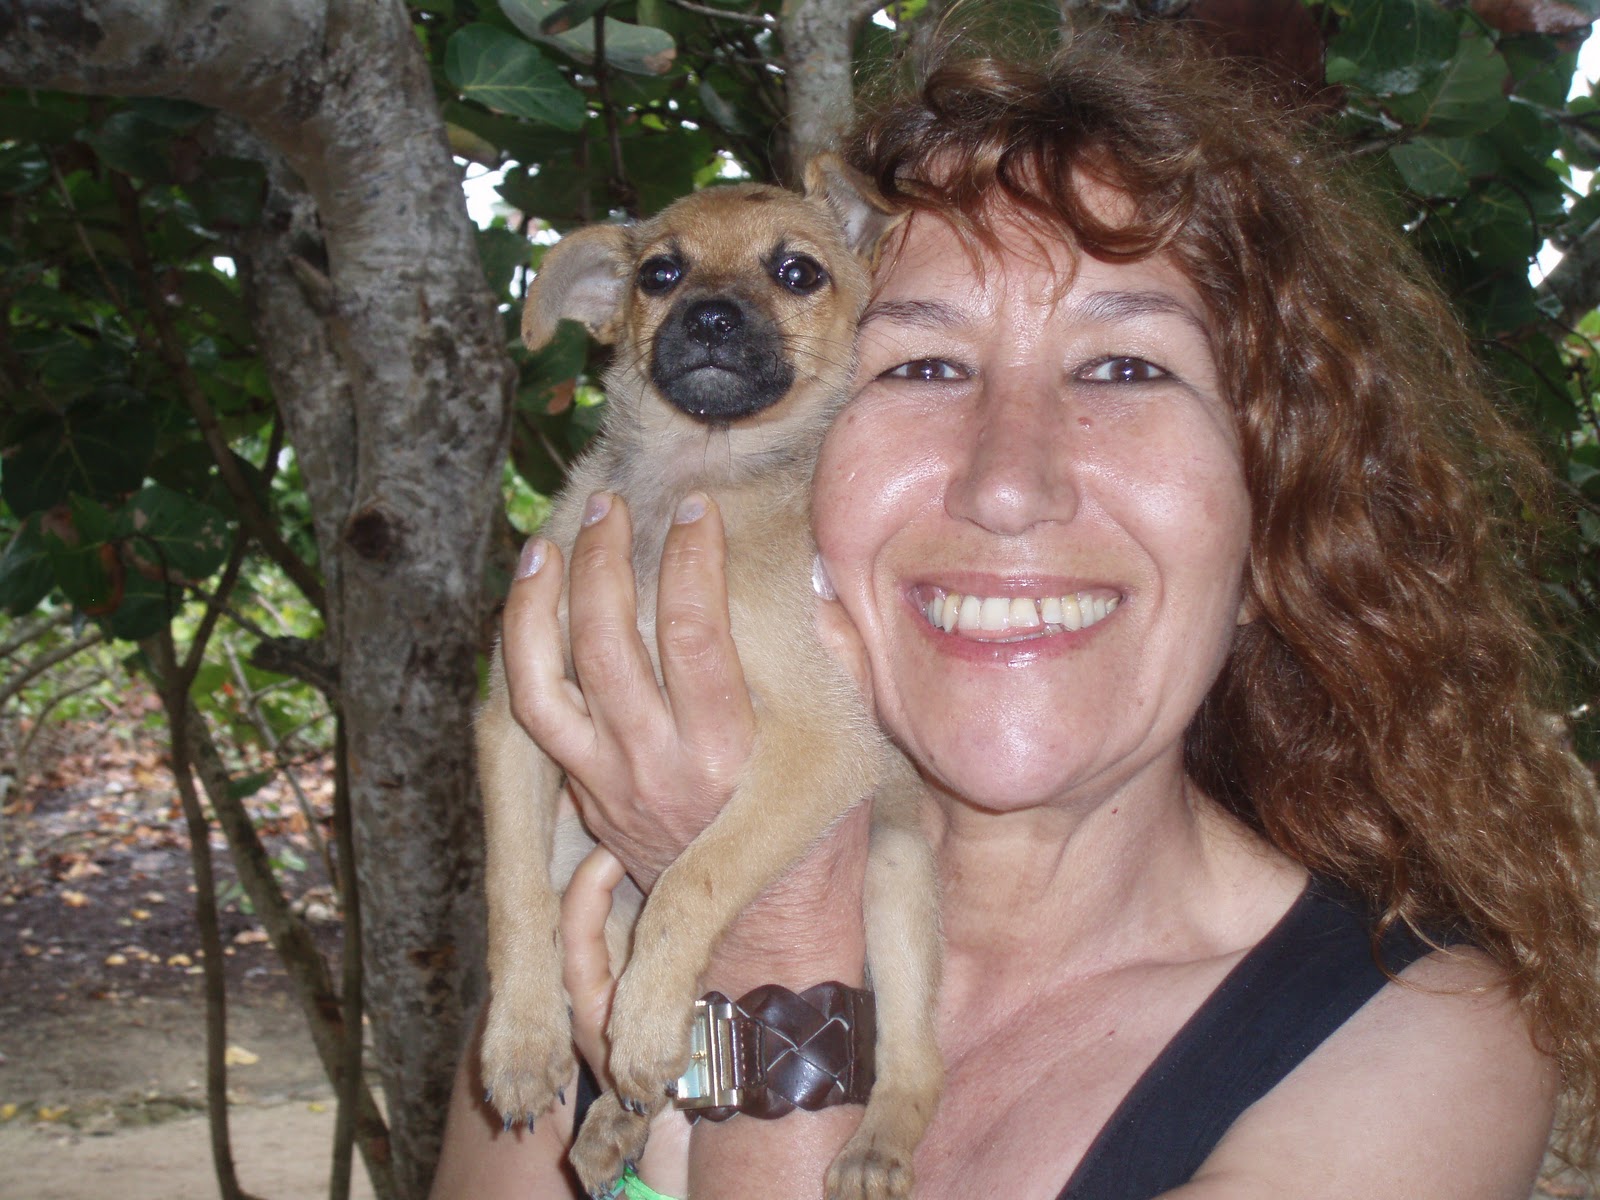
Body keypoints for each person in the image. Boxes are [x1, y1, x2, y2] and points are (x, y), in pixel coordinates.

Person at [429, 21, 1600, 1200]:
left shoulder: (1415, 1052)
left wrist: (768, 973)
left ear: (1277, 516)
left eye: (1125, 369)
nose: (1006, 483)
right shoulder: (597, 923)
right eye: (923, 369)